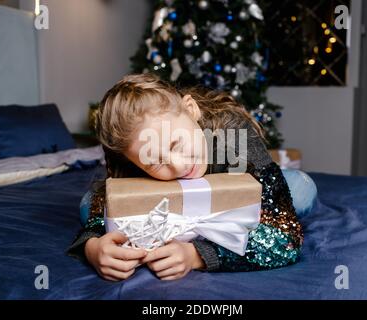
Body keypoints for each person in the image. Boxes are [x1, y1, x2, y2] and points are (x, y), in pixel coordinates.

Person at [67, 73, 315, 281]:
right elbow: (97, 225)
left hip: (250, 184)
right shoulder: (134, 157)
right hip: (184, 205)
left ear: (191, 109)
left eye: (177, 143)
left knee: (301, 190)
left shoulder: (235, 137)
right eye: (155, 162)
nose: (178, 165)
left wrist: (197, 254)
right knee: (90, 205)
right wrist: (93, 249)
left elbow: (287, 241)